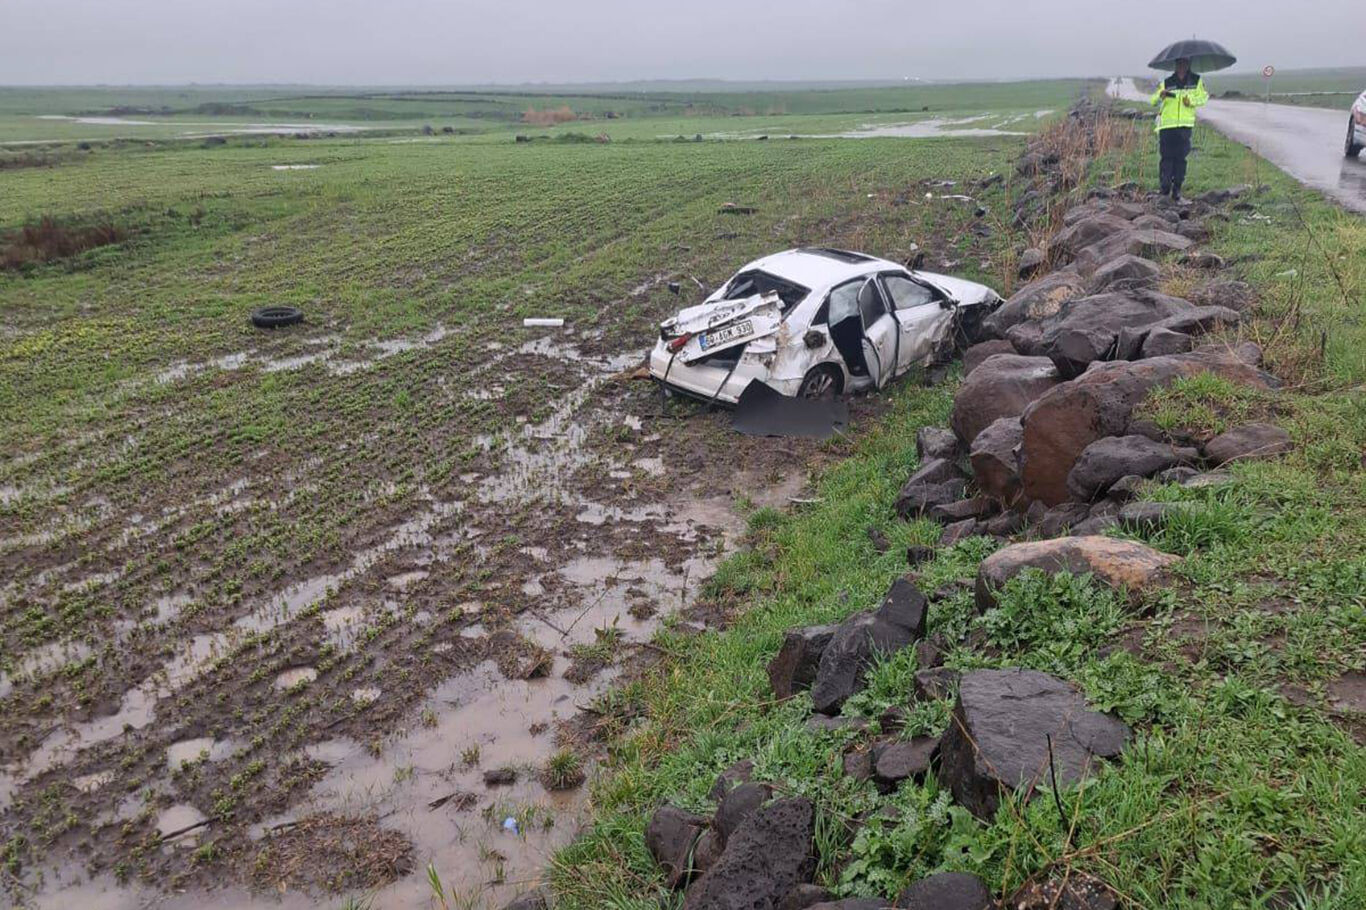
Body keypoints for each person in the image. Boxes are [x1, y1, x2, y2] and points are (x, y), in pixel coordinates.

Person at [1149, 57, 1208, 200]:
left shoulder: (1196, 81)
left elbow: (1204, 98)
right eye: (1179, 63)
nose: (1182, 66)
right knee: (1166, 158)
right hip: (1167, 126)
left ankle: (1177, 190)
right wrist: (1160, 96)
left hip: (1184, 126)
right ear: (1175, 65)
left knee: (1180, 159)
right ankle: (1164, 188)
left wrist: (1191, 101)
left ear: (1189, 64)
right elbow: (1152, 101)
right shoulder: (1167, 82)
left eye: (1185, 63)